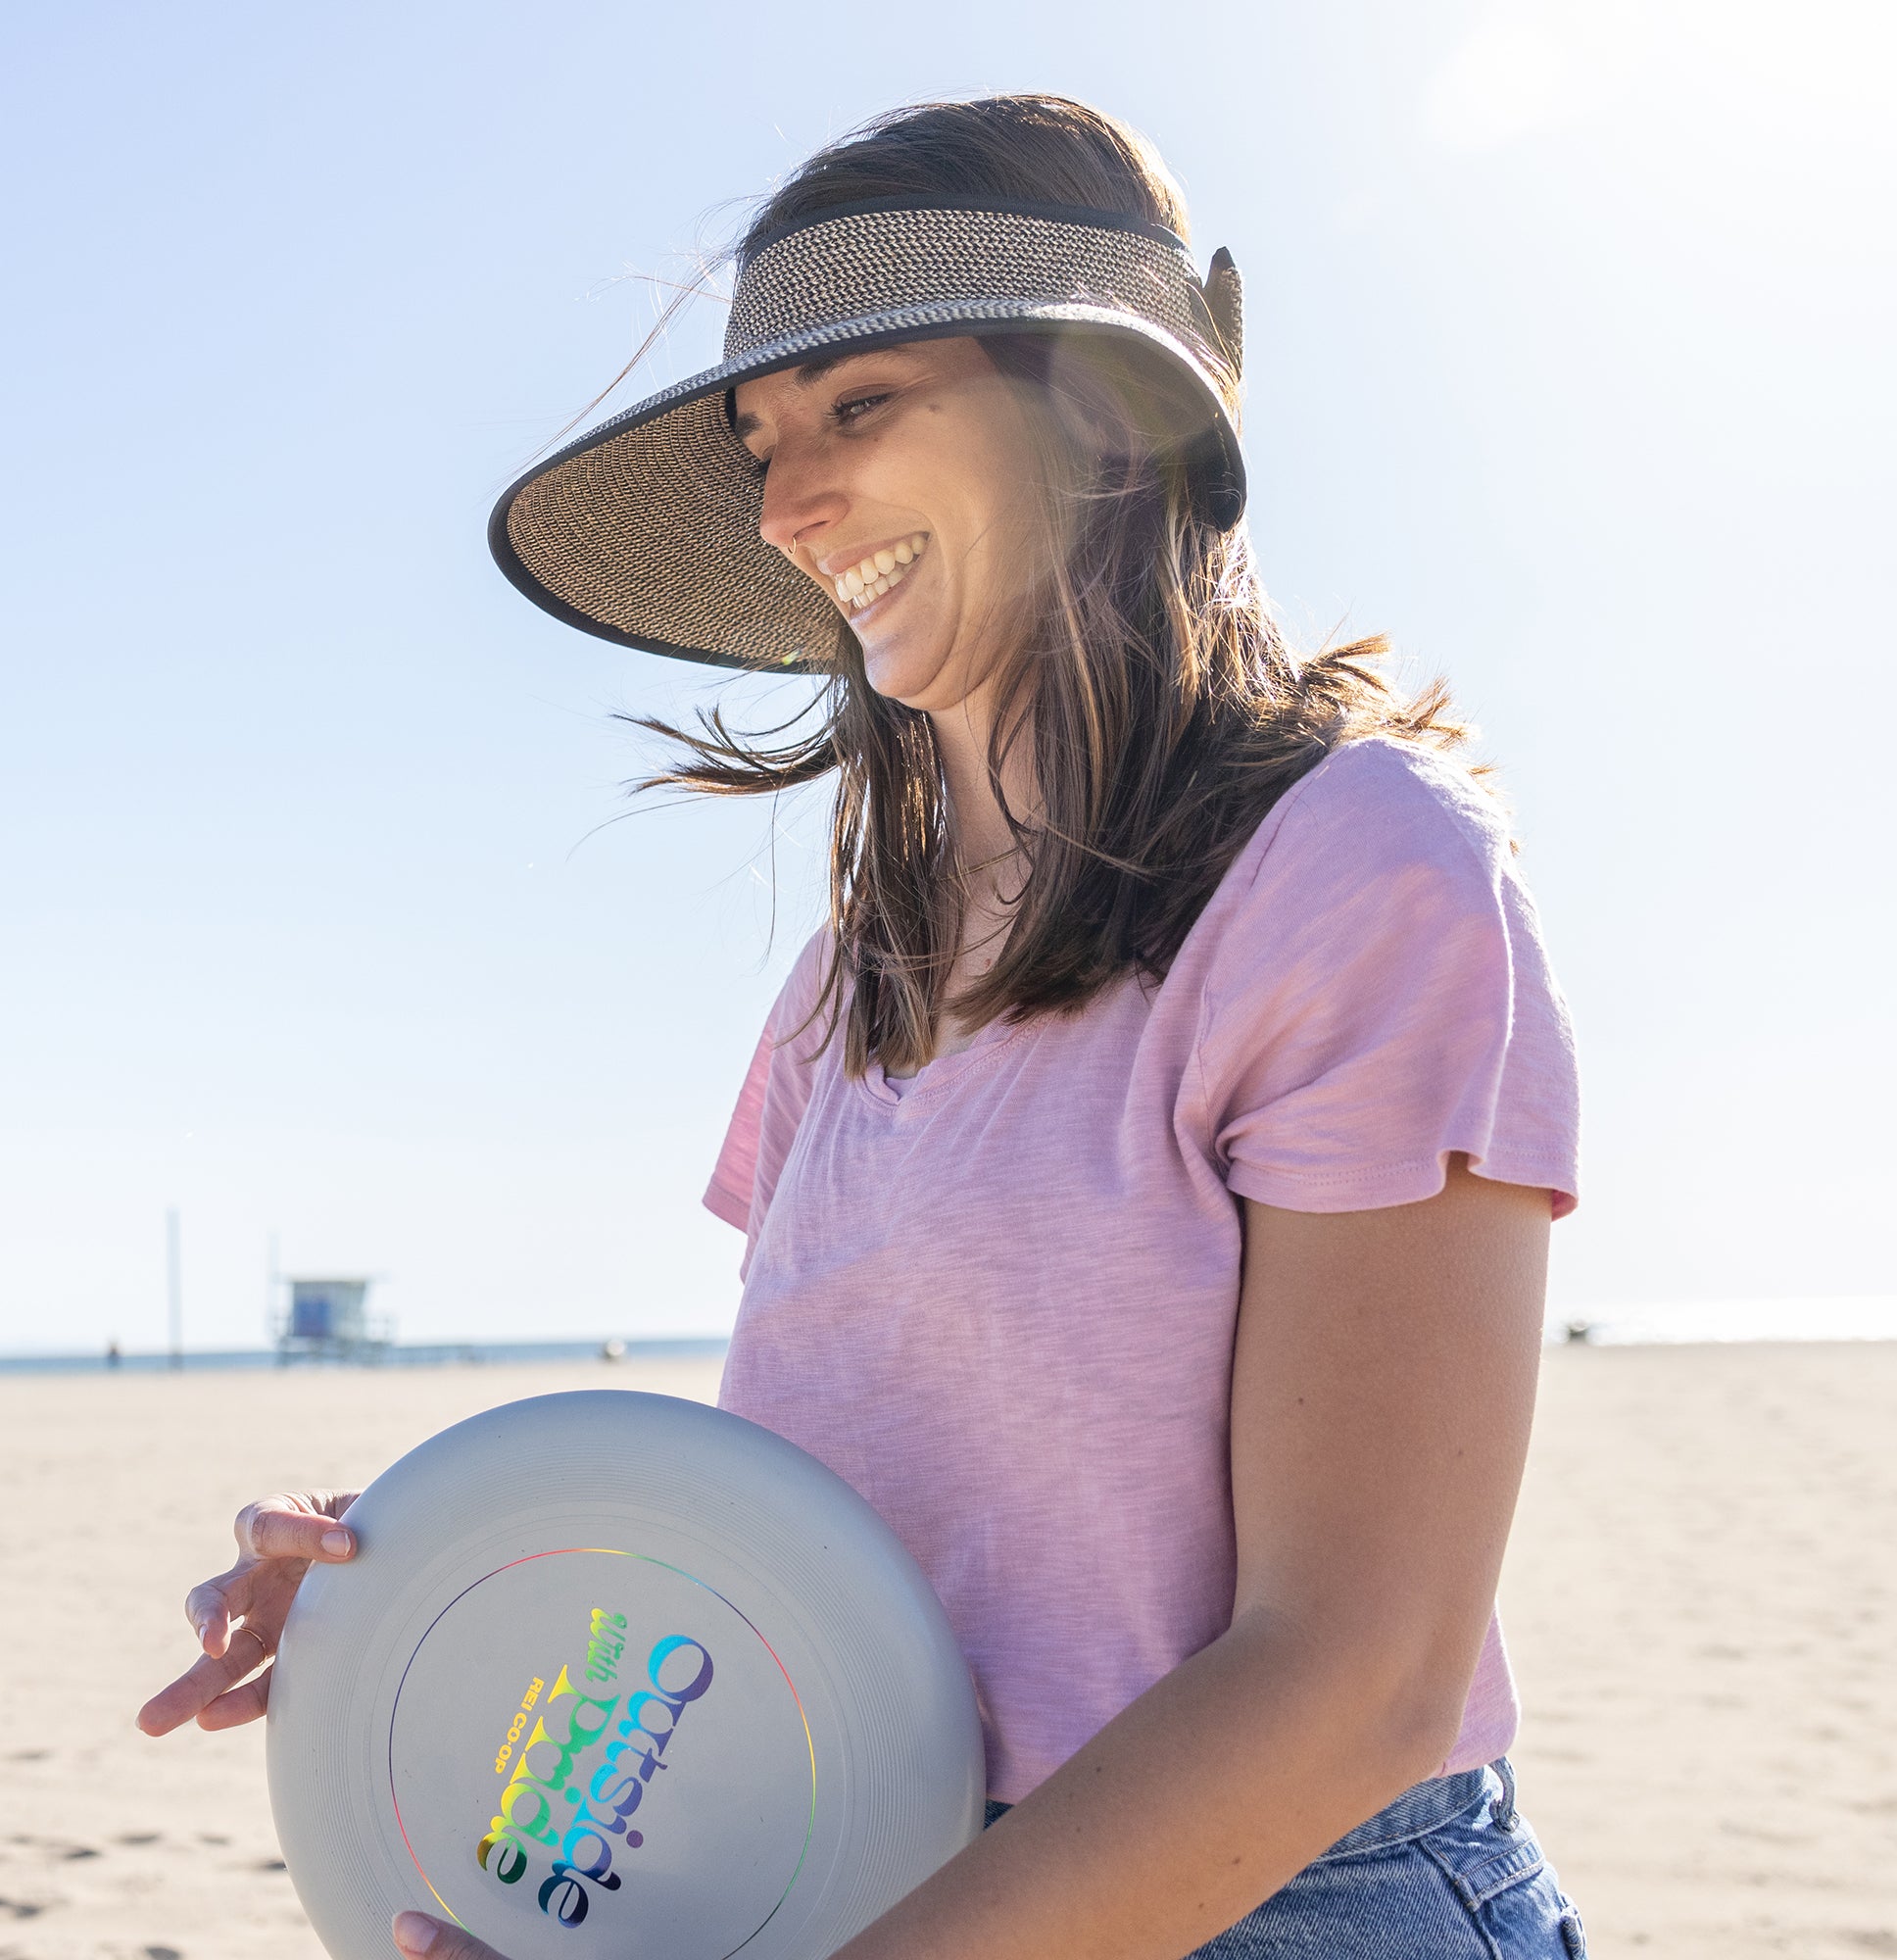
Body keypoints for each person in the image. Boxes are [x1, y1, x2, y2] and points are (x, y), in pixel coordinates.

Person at [137, 95, 1588, 1960]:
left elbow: (1361, 1676)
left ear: (1097, 410)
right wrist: (431, 1576)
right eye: (760, 441)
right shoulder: (848, 981)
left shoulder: (1358, 874)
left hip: (1286, 1897)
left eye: (859, 406)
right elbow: (870, 1523)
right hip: (879, 1871)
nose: (785, 507)